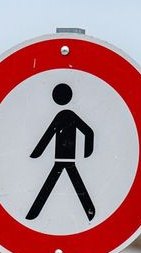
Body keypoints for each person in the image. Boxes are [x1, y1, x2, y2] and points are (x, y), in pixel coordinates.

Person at [26, 83, 96, 221]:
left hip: (64, 158)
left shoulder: (65, 115)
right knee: (70, 184)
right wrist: (86, 152)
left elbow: (48, 135)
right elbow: (89, 132)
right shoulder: (67, 115)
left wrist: (37, 153)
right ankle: (90, 212)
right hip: (65, 159)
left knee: (53, 185)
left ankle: (33, 213)